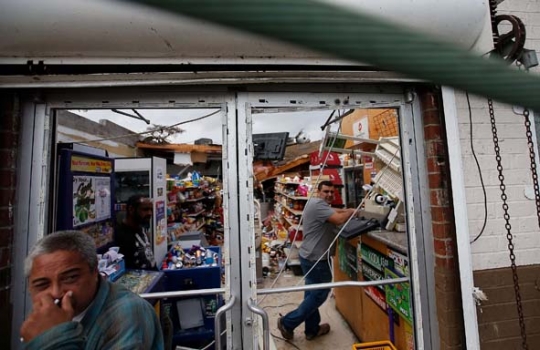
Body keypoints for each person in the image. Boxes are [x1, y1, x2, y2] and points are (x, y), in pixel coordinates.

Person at [20, 230, 164, 349]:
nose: (56, 293)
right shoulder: (44, 315)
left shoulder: (127, 313)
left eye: (70, 278)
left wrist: (52, 339)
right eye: (42, 285)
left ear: (95, 272)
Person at [277, 180, 356, 341]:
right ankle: (288, 322)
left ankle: (312, 329)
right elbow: (339, 220)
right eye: (325, 191)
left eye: (331, 192)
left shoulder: (315, 203)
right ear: (318, 192)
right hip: (316, 259)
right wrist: (354, 212)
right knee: (320, 294)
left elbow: (334, 210)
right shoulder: (319, 206)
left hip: (308, 256)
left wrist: (347, 209)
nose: (329, 194)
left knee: (311, 294)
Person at [115, 194, 157, 270]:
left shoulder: (141, 229)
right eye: (145, 209)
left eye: (151, 209)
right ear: (131, 209)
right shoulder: (121, 236)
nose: (150, 213)